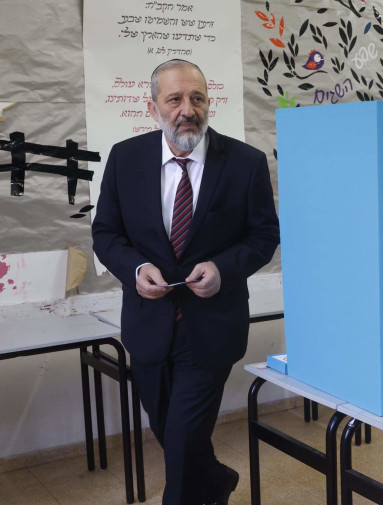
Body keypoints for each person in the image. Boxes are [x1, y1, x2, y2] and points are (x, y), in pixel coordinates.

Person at [92, 59, 279, 505]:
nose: (187, 109)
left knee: (179, 440)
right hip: (149, 327)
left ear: (208, 102)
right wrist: (136, 270)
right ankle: (216, 480)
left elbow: (264, 235)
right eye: (174, 99)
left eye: (197, 98)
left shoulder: (245, 162)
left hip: (212, 327)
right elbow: (106, 234)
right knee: (168, 429)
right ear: (153, 105)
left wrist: (224, 269)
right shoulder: (125, 158)